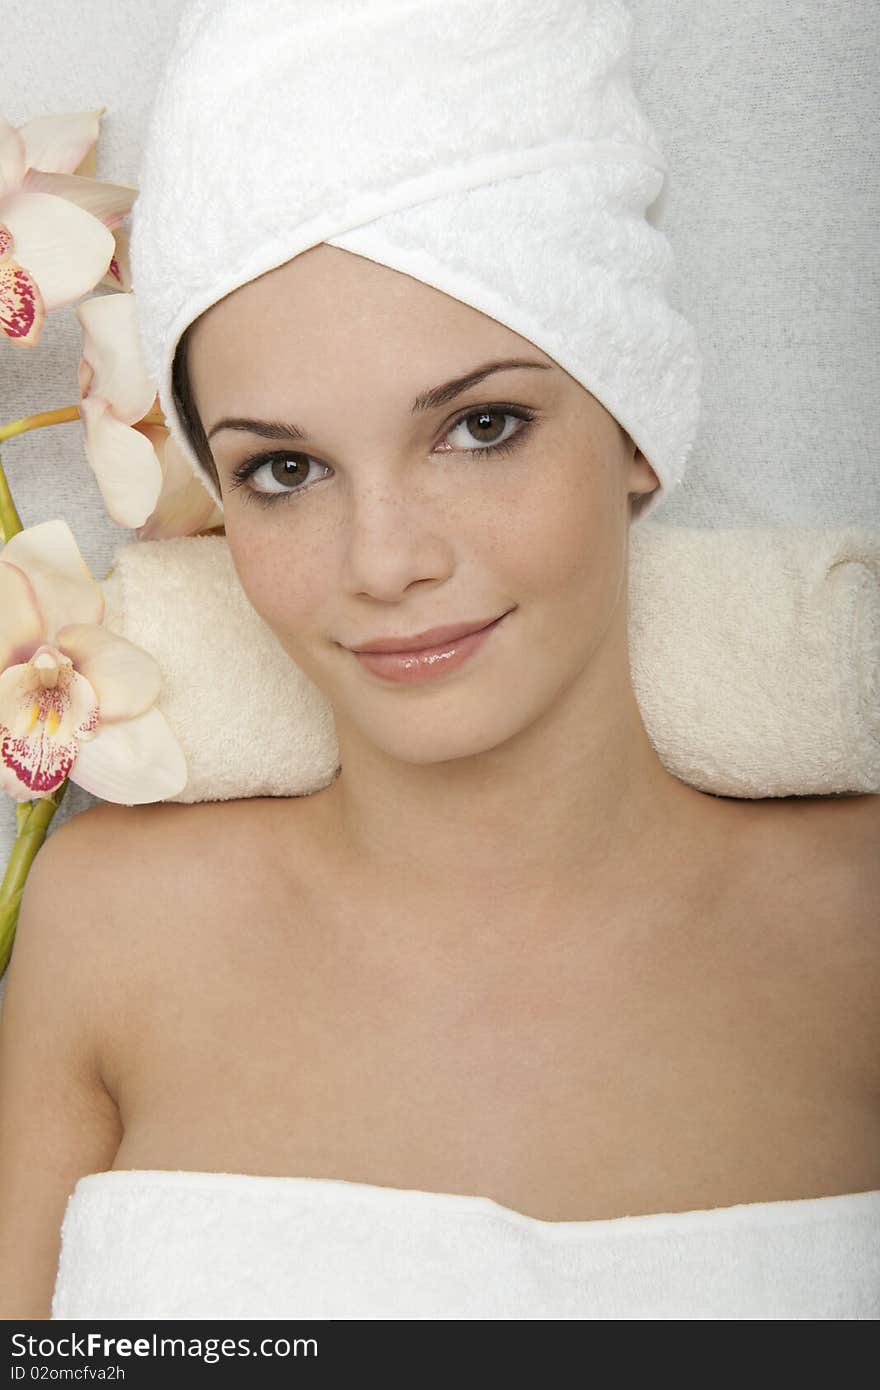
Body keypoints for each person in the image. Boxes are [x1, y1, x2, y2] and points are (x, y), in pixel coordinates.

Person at [1, 0, 878, 1321]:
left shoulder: (855, 932)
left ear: (637, 422)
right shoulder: (112, 925)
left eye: (479, 426)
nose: (384, 560)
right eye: (285, 469)